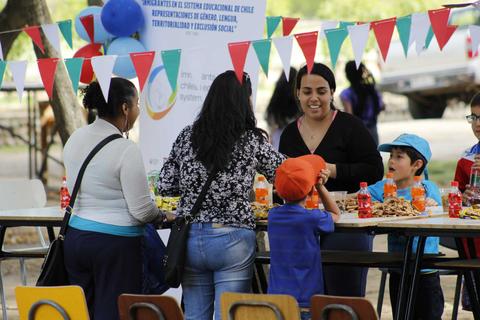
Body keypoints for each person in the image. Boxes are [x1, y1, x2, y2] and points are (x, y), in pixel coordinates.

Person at [157, 70, 285, 320]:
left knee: (194, 315)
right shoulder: (251, 139)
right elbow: (285, 174)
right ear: (244, 101)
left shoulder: (187, 136)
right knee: (229, 315)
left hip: (191, 238)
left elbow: (165, 184)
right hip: (233, 239)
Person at [63, 78, 174, 320]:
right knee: (113, 314)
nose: (137, 111)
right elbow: (142, 211)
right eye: (136, 105)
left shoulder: (75, 139)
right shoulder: (126, 150)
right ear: (125, 107)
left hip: (76, 240)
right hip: (114, 248)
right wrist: (164, 215)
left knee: (82, 312)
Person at [279, 62, 384, 297]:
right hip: (301, 226)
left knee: (341, 299)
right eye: (307, 92)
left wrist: (334, 170)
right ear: (297, 94)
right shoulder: (289, 134)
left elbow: (375, 170)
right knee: (302, 300)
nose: (314, 98)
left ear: (332, 92)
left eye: (321, 91)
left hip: (346, 224)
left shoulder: (350, 126)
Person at [368, 133, 444, 320]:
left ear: (416, 165)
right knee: (401, 315)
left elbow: (436, 209)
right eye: (391, 156)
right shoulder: (384, 187)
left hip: (425, 268)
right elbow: (359, 198)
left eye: (399, 156)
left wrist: (430, 206)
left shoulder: (427, 188)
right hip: (398, 267)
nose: (391, 161)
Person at [268, 154, 340, 320]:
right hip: (306, 299)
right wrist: (320, 187)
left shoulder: (273, 215)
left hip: (276, 298)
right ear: (310, 190)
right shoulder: (313, 218)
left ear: (277, 190)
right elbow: (335, 214)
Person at [454, 92, 480, 311]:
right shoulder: (466, 158)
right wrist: (460, 197)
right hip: (474, 243)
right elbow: (457, 193)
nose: (477, 124)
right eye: (473, 117)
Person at [340, 61, 385, 145]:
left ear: (347, 75)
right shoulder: (372, 90)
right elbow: (381, 106)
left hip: (357, 132)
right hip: (373, 129)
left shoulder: (346, 94)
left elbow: (349, 115)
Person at [265, 67, 300, 150]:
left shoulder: (276, 98)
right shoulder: (298, 100)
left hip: (278, 138)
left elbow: (270, 121)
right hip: (296, 140)